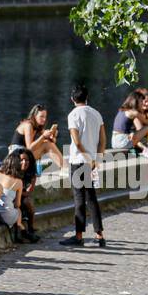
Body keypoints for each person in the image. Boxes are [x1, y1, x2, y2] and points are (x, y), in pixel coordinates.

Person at [61, 83, 106, 247]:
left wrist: (87, 158)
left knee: (79, 199)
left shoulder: (73, 115)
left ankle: (79, 236)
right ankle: (99, 235)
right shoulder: (97, 114)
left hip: (79, 161)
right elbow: (103, 140)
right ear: (87, 98)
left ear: (72, 99)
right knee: (92, 198)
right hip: (93, 162)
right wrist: (96, 159)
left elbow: (77, 142)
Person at [10, 105, 64, 172]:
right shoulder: (28, 125)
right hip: (16, 157)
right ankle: (64, 168)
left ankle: (64, 168)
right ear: (34, 116)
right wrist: (43, 136)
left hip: (24, 155)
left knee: (47, 143)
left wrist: (53, 135)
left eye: (45, 117)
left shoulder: (38, 127)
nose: (44, 119)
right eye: (41, 116)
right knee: (46, 144)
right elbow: (30, 148)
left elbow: (52, 143)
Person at [8, 147, 42, 242]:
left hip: (21, 196)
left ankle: (31, 227)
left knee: (28, 202)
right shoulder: (12, 172)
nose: (24, 162)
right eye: (21, 160)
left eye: (26, 160)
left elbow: (29, 192)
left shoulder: (31, 174)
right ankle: (20, 233)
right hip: (10, 197)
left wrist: (19, 194)